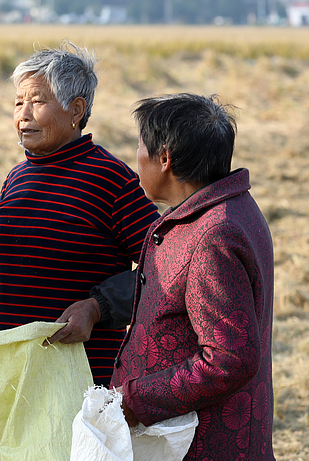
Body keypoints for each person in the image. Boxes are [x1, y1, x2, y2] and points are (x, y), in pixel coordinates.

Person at [0, 42, 160, 385]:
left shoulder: (111, 179)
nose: (23, 114)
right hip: (12, 372)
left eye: (37, 101)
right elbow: (1, 258)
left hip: (78, 379)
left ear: (76, 110)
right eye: (19, 102)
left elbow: (166, 263)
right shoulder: (16, 178)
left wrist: (96, 308)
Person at [112, 94, 274, 459]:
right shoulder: (223, 210)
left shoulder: (212, 235)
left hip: (202, 443)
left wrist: (138, 400)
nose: (135, 156)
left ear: (165, 158)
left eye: (140, 145)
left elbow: (230, 358)